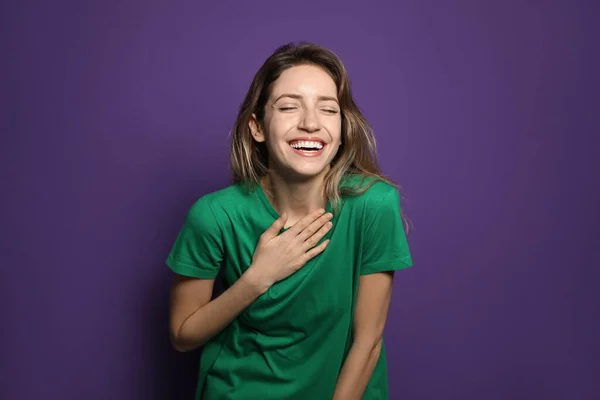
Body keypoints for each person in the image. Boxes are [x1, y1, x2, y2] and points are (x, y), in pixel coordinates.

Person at [166, 42, 413, 400]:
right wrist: (257, 278)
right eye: (288, 107)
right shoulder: (214, 215)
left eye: (328, 109)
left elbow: (368, 341)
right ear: (257, 127)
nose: (310, 123)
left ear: (342, 128)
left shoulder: (373, 205)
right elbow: (182, 335)